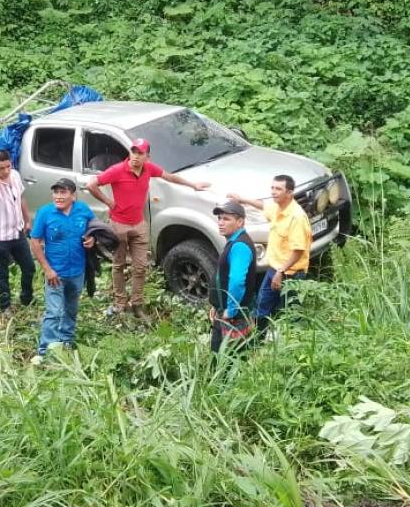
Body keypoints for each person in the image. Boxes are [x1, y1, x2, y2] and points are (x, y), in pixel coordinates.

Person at [87, 138, 210, 317]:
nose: (135, 157)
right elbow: (92, 184)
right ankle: (120, 303)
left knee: (141, 267)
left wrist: (193, 185)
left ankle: (137, 304)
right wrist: (108, 202)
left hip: (139, 224)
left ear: (147, 157)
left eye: (140, 153)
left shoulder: (149, 169)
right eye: (133, 152)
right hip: (119, 224)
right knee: (118, 265)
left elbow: (169, 176)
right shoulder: (117, 170)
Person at [227, 174, 311, 336]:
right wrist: (242, 199)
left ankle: (293, 342)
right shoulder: (278, 207)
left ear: (289, 193)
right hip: (275, 268)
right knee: (262, 303)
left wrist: (281, 272)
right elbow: (263, 205)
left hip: (291, 274)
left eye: (278, 189)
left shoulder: (296, 217)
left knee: (290, 310)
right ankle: (259, 338)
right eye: (272, 188)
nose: (273, 192)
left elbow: (298, 250)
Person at [29, 178, 96, 359]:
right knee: (54, 312)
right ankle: (45, 351)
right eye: (56, 192)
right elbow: (34, 242)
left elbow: (94, 229)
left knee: (71, 308)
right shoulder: (45, 213)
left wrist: (92, 240)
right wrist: (47, 269)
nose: (58, 197)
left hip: (77, 271)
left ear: (73, 195)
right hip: (55, 273)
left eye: (63, 192)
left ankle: (66, 340)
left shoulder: (83, 210)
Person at [0, 149, 34, 314]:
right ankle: (5, 306)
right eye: (1, 168)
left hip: (17, 232)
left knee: (29, 267)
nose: (5, 171)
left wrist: (27, 219)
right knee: (2, 272)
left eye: (8, 167)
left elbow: (21, 197)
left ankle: (26, 298)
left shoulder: (15, 175)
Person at [209, 200, 260, 355]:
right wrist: (216, 304)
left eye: (226, 219)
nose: (221, 223)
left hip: (233, 317)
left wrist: (229, 312)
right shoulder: (235, 241)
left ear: (240, 222)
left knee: (226, 357)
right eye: (219, 218)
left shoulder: (239, 246)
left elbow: (237, 282)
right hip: (224, 311)